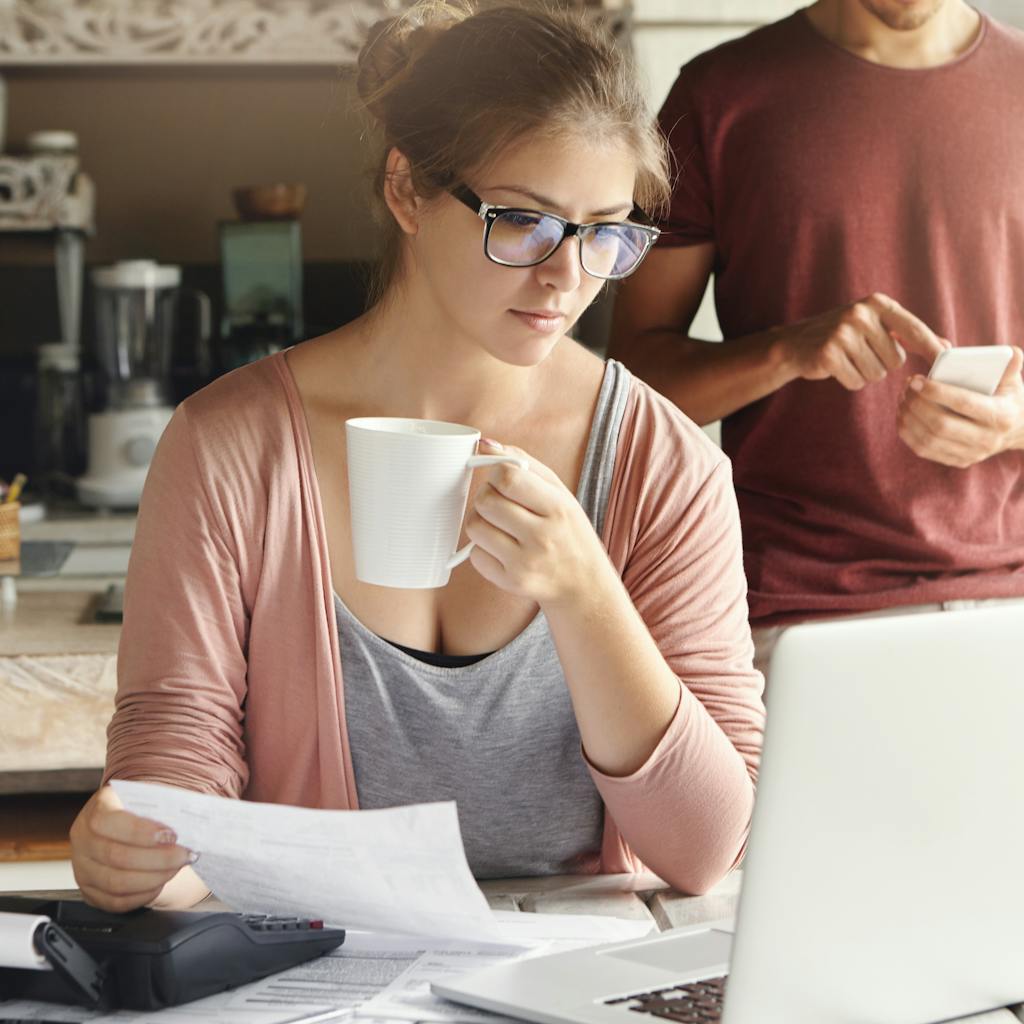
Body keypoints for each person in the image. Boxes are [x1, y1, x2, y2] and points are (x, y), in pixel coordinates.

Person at [69, 2, 765, 914]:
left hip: (583, 993)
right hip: (321, 980)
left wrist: (586, 592)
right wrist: (143, 849)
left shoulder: (664, 464)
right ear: (407, 191)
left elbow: (707, 849)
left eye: (605, 231)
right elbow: (177, 752)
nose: (568, 277)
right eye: (525, 222)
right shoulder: (229, 446)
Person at [609, 0, 1024, 674]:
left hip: (1012, 606)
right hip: (797, 615)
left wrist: (1013, 423)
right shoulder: (717, 99)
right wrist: (784, 351)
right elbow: (633, 386)